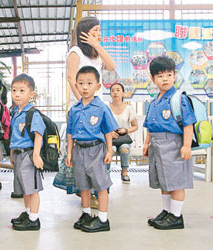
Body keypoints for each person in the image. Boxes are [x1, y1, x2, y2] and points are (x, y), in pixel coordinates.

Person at [66, 16, 116, 208]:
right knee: (82, 153)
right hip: (80, 107)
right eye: (94, 30)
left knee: (100, 150)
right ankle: (86, 194)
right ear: (83, 33)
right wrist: (84, 103)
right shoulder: (75, 51)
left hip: (98, 106)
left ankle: (99, 190)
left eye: (99, 30)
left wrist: (97, 45)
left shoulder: (97, 53)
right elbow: (71, 79)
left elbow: (111, 67)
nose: (98, 34)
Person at [144, 56, 196, 230]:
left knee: (176, 182)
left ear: (175, 76)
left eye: (168, 74)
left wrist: (186, 145)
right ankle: (166, 211)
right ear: (152, 79)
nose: (164, 78)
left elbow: (188, 124)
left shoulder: (178, 99)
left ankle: (176, 216)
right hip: (157, 145)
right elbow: (149, 126)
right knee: (164, 181)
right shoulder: (154, 101)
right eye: (159, 75)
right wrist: (146, 144)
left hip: (173, 145)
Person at [66, 66, 118, 233]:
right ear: (76, 85)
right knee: (83, 186)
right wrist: (69, 152)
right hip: (78, 151)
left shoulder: (101, 107)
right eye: (81, 83)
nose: (85, 87)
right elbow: (69, 132)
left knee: (100, 185)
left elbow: (108, 130)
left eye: (89, 83)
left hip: (96, 150)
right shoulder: (74, 109)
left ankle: (103, 219)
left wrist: (109, 150)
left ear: (98, 85)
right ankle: (86, 214)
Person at [9, 73, 45, 231]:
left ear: (31, 95)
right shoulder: (15, 112)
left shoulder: (33, 113)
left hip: (29, 155)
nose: (17, 94)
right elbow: (14, 136)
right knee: (24, 187)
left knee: (32, 188)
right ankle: (27, 212)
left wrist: (36, 155)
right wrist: (12, 154)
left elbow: (38, 135)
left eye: (22, 91)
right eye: (14, 90)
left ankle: (34, 219)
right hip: (18, 154)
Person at [108, 83, 138, 183]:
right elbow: (101, 125)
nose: (115, 92)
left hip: (123, 138)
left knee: (124, 148)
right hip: (110, 139)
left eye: (118, 90)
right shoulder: (106, 108)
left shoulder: (129, 108)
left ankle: (124, 172)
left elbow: (135, 126)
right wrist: (110, 132)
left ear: (123, 93)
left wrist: (126, 130)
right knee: (110, 149)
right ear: (110, 94)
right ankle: (106, 173)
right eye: (113, 90)